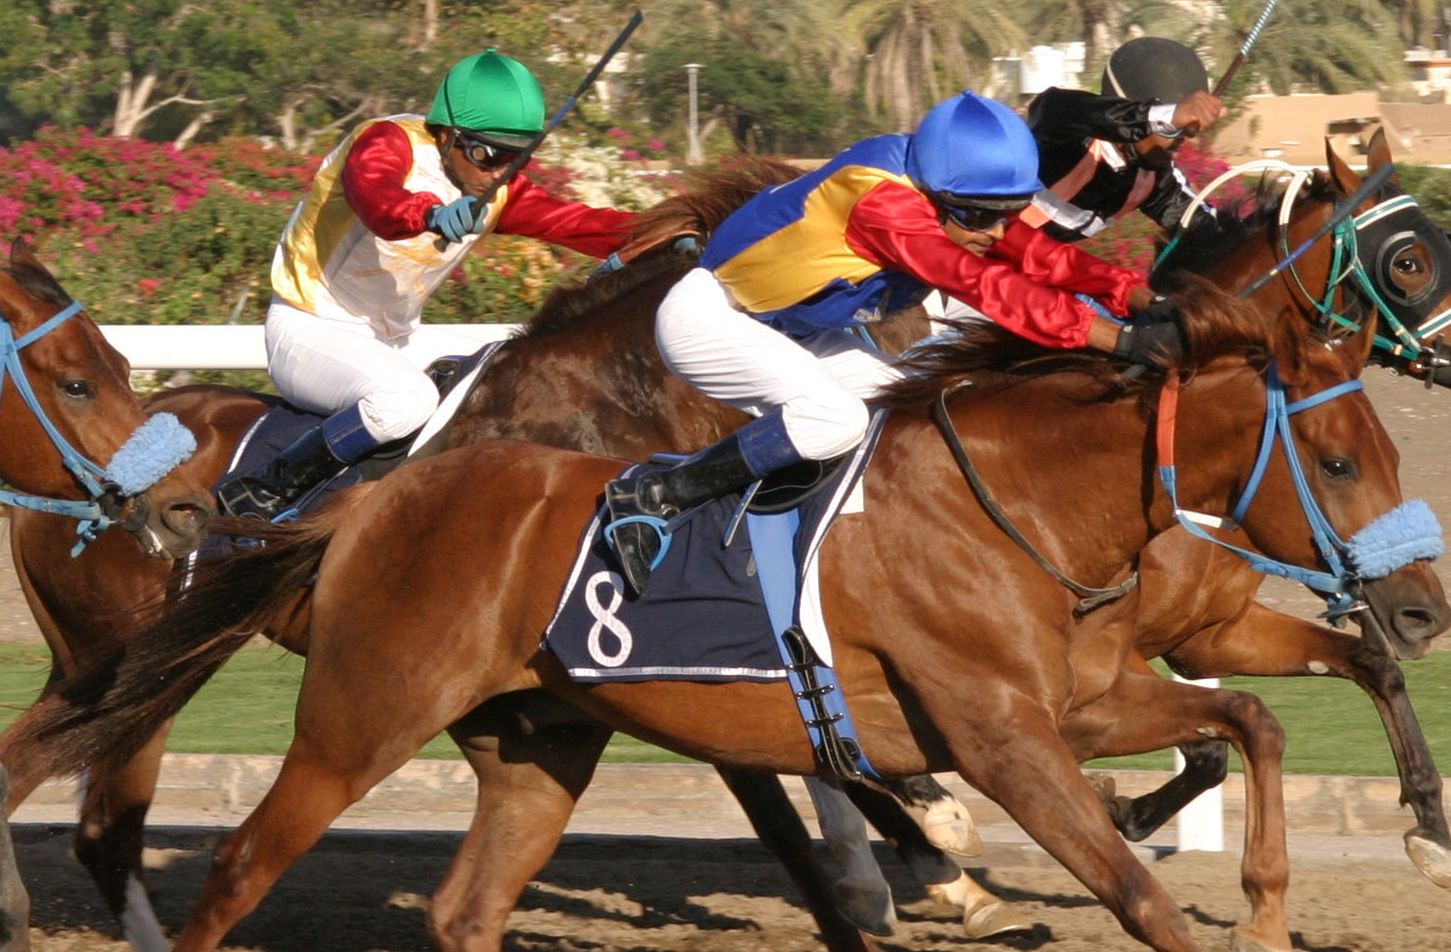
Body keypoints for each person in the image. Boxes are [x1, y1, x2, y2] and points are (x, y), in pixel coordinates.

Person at [600, 90, 1174, 590]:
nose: (997, 229)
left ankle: (823, 542)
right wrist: (1117, 341)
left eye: (1009, 212)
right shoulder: (882, 203)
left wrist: (1139, 296)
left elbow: (1028, 251)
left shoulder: (942, 187)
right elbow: (982, 284)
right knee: (835, 418)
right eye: (981, 216)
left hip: (794, 329)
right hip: (710, 318)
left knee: (915, 414)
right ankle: (655, 495)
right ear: (936, 194)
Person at [217, 48, 635, 519]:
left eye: (515, 158)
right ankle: (267, 488)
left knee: (517, 378)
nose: (499, 171)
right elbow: (376, 197)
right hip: (309, 329)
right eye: (487, 153)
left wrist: (674, 230)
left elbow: (585, 224)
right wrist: (430, 214)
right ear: (448, 133)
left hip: (396, 339)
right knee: (405, 400)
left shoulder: (496, 190)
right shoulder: (386, 141)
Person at [1021, 35, 1226, 242]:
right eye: (1171, 128)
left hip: (1040, 258)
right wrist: (1165, 116)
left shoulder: (1154, 177)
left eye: (1187, 130)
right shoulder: (1064, 123)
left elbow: (1204, 225)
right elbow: (1067, 108)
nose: (1182, 139)